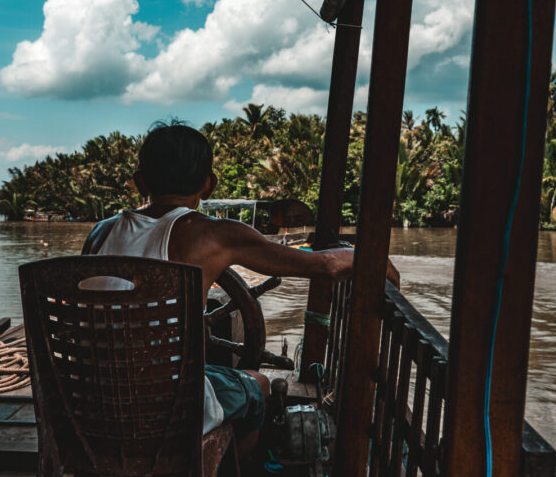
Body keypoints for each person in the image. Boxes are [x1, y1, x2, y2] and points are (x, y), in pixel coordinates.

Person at [81, 122, 400, 457]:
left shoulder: (100, 233)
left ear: (141, 182)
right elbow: (326, 266)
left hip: (88, 396)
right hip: (166, 406)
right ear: (208, 185)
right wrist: (373, 260)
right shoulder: (216, 235)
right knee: (258, 386)